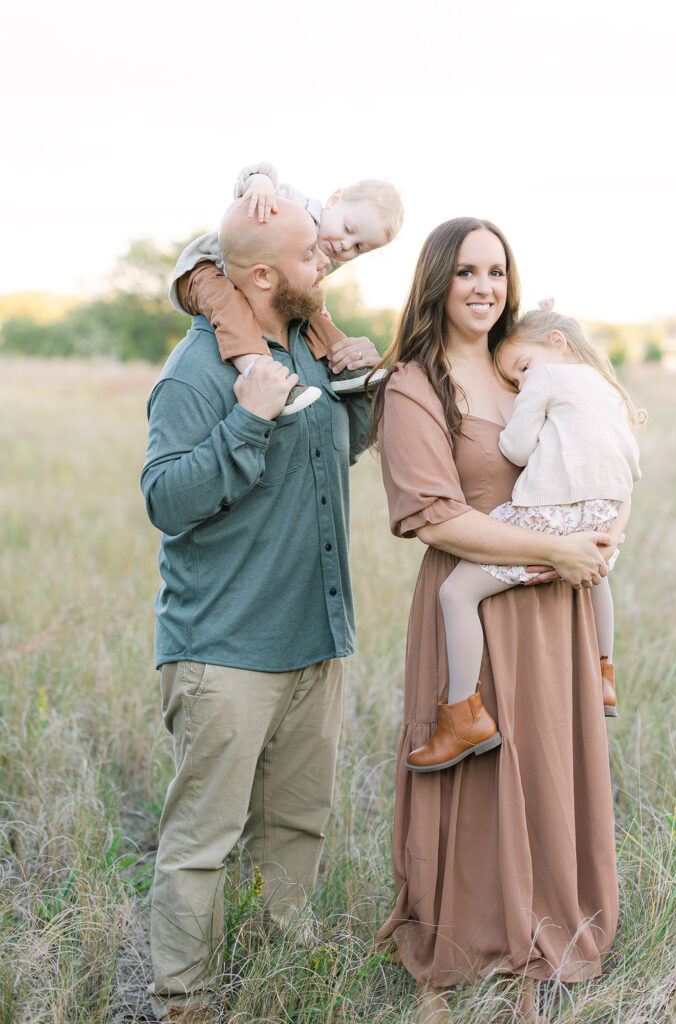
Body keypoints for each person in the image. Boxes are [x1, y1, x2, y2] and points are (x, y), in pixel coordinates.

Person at [370, 218, 619, 1023]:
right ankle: (472, 938)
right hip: (477, 599)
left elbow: (591, 446)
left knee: (549, 763)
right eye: (468, 272)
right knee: (482, 772)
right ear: (437, 280)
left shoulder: (529, 366)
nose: (485, 288)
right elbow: (435, 518)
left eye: (498, 273)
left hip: (554, 603)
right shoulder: (413, 383)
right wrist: (560, 551)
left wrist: (596, 540)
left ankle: (549, 928)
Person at [140, 197, 378, 1024]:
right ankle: (185, 1003)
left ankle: (279, 985)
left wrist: (360, 390)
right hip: (225, 651)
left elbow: (336, 451)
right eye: (314, 255)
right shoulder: (196, 371)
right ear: (267, 273)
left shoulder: (309, 349)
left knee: (297, 831)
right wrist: (248, 417)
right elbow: (166, 499)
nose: (329, 264)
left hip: (315, 640)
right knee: (202, 847)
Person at [408, 309, 643, 772]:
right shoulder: (611, 390)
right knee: (596, 576)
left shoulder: (547, 379)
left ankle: (463, 716)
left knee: (457, 592)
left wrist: (525, 420)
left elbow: (515, 448)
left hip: (552, 510)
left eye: (522, 368)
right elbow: (632, 470)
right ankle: (603, 674)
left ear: (557, 342)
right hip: (604, 512)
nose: (520, 382)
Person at [170, 160, 403, 414]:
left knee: (315, 313)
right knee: (230, 308)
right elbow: (258, 180)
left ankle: (345, 367)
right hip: (206, 269)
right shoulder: (295, 207)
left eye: (359, 247)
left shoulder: (330, 249)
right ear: (335, 199)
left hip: (256, 281)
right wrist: (259, 182)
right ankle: (262, 376)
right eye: (348, 229)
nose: (346, 245)